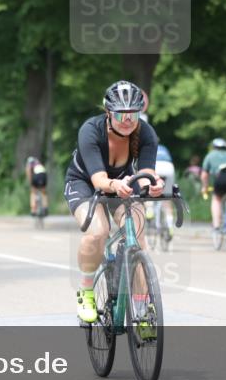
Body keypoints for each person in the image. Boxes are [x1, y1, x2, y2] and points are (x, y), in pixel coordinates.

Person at [64, 80, 164, 323]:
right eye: (121, 114)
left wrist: (153, 184)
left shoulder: (146, 133)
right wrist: (114, 185)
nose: (128, 119)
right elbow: (99, 180)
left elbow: (146, 173)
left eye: (133, 113)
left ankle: (141, 310)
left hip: (123, 182)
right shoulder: (91, 130)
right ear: (108, 112)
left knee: (138, 238)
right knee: (99, 232)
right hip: (86, 183)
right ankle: (86, 292)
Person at [145, 142, 176, 238]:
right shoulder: (164, 148)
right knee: (167, 199)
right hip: (168, 167)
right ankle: (170, 225)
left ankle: (149, 210)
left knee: (147, 190)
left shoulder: (146, 146)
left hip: (155, 166)